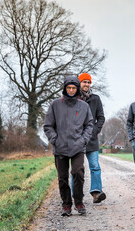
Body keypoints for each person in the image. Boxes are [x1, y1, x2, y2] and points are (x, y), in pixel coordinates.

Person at [44, 76, 93, 216]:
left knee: (78, 173)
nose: (71, 90)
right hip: (60, 147)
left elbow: (89, 124)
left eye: (74, 88)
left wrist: (84, 139)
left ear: (77, 89)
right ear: (65, 89)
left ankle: (79, 202)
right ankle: (66, 205)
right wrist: (55, 139)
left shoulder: (84, 106)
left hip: (78, 146)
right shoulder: (55, 105)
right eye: (69, 88)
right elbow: (48, 125)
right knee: (62, 177)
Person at [78, 73, 106, 203]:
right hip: (77, 139)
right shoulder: (74, 99)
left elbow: (101, 118)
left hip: (92, 139)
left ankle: (96, 193)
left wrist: (94, 132)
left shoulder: (95, 99)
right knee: (76, 169)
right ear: (79, 83)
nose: (86, 84)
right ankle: (76, 195)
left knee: (95, 166)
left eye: (88, 82)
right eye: (84, 82)